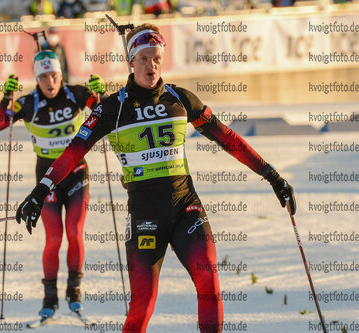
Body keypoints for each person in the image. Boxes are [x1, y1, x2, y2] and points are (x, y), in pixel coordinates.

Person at [15, 24, 296, 332]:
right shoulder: (113, 108)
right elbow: (72, 152)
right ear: (131, 61)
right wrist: (41, 191)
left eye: (157, 58)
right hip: (145, 215)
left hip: (186, 207)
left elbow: (227, 138)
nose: (152, 65)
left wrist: (271, 175)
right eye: (145, 58)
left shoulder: (180, 98)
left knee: (210, 283)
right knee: (142, 306)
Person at [0, 50, 106, 320]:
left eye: (54, 75)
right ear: (37, 79)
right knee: (53, 238)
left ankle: (74, 293)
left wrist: (102, 94)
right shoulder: (29, 103)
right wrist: (6, 97)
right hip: (47, 178)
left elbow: (106, 112)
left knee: (75, 233)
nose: (50, 82)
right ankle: (49, 298)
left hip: (76, 173)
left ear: (61, 74)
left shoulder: (76, 94)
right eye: (43, 77)